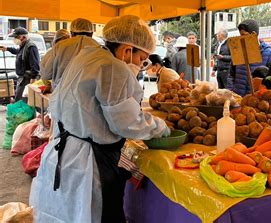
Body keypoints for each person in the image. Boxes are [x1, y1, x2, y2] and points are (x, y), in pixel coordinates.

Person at [29, 15, 170, 223]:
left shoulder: (89, 55)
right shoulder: (113, 68)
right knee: (99, 215)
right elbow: (127, 122)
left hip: (66, 148)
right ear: (127, 50)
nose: (141, 65)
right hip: (90, 159)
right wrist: (162, 128)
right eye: (142, 59)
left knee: (71, 214)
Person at [40, 18, 99, 89]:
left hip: (61, 95)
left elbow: (46, 74)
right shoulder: (99, 48)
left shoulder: (60, 46)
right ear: (92, 33)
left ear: (71, 33)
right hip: (88, 96)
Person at [227, 19, 271, 96]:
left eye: (244, 36)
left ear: (254, 34)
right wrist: (231, 91)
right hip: (238, 98)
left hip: (256, 100)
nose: (241, 39)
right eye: (240, 36)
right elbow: (231, 75)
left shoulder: (269, 53)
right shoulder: (238, 52)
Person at [0, 27, 40, 101]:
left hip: (27, 79)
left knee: (22, 100)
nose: (15, 39)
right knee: (20, 99)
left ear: (23, 37)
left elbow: (35, 64)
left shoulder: (31, 47)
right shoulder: (24, 45)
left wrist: (33, 78)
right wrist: (7, 49)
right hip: (22, 78)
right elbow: (18, 51)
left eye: (17, 37)